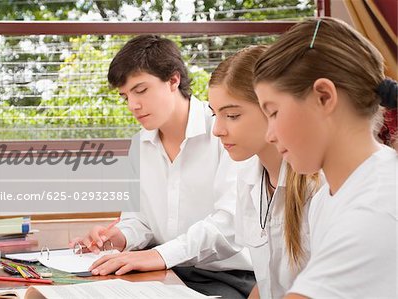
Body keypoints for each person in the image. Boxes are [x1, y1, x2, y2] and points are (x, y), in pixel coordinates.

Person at [70, 35, 255, 299]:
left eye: (141, 90)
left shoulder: (224, 132)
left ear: (173, 80)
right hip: (161, 271)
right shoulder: (140, 144)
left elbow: (228, 225)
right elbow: (140, 220)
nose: (133, 105)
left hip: (224, 277)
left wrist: (159, 255)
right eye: (125, 97)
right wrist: (117, 237)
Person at [253, 17, 397, 298]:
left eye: (273, 112)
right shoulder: (326, 198)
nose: (269, 135)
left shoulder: (376, 208)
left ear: (323, 97)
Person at [207, 46, 320, 299]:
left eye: (232, 115)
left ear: (272, 108)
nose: (217, 130)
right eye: (215, 115)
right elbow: (267, 282)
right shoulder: (247, 177)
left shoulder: (319, 184)